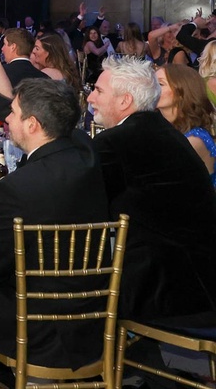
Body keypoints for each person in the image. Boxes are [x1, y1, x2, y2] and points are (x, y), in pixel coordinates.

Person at [0, 77, 110, 370]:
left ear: (32, 125)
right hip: (92, 316)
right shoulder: (86, 150)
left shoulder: (17, 187)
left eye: (12, 113)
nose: (7, 119)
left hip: (37, 326)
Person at [87, 56, 216, 324]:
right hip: (197, 274)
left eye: (98, 91)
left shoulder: (119, 140)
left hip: (169, 288)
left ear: (125, 101)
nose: (90, 98)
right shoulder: (159, 130)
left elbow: (83, 197)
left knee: (73, 287)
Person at [156, 64, 216, 184]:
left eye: (160, 84)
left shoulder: (194, 140)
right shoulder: (160, 127)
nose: (152, 88)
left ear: (181, 92)